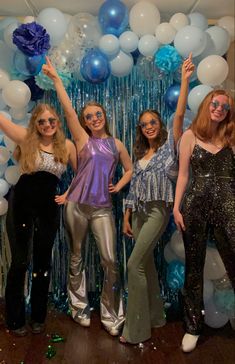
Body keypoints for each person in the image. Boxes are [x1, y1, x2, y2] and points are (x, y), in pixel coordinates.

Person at [43, 57, 133, 336]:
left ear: (104, 115)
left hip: (103, 209)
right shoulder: (82, 140)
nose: (94, 118)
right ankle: (78, 307)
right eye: (88, 117)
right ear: (84, 122)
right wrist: (57, 80)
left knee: (110, 261)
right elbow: (68, 111)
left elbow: (130, 169)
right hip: (77, 206)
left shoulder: (116, 144)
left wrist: (118, 185)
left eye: (97, 114)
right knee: (76, 256)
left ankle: (111, 313)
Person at [119, 55, 195, 344]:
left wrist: (185, 80)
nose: (148, 126)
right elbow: (134, 187)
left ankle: (136, 331)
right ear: (140, 129)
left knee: (133, 265)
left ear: (159, 124)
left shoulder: (169, 147)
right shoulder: (140, 154)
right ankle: (156, 317)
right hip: (138, 212)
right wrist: (126, 215)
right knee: (146, 264)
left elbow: (178, 118)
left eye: (152, 122)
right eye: (143, 124)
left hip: (158, 212)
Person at [0, 105, 77, 337]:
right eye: (42, 121)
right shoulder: (26, 138)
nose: (47, 125)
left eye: (51, 120)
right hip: (22, 203)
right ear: (35, 124)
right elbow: (3, 122)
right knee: (20, 262)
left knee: (43, 263)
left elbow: (83, 173)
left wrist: (68, 194)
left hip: (48, 208)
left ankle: (38, 317)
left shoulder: (67, 145)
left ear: (57, 121)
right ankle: (15, 319)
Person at [173, 89, 235, 352]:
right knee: (194, 267)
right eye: (215, 103)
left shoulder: (231, 138)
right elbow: (184, 175)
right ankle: (193, 325)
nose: (219, 108)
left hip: (227, 206)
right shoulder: (190, 136)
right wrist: (177, 207)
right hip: (194, 205)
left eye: (225, 106)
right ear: (207, 105)